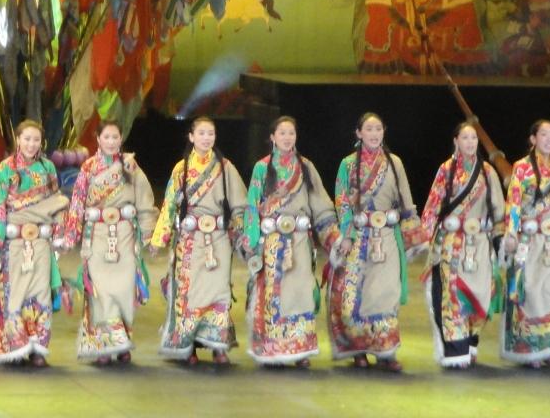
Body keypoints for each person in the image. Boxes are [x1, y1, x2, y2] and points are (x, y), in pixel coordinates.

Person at [327, 112, 423, 370]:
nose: (374, 133)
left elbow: (405, 199)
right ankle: (359, 349)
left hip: (387, 237)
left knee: (385, 293)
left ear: (384, 132)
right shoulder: (348, 164)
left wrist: (413, 234)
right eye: (369, 129)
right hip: (359, 238)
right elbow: (342, 202)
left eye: (378, 129)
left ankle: (385, 350)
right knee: (355, 296)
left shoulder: (394, 163)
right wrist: (346, 235)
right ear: (359, 133)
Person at [244, 115, 340, 367]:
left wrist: (333, 236)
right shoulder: (262, 168)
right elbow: (252, 205)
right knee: (273, 295)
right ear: (272, 137)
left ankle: (301, 349)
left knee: (301, 293)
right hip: (272, 242)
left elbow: (320, 203)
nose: (287, 138)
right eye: (282, 133)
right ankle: (273, 349)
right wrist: (251, 242)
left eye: (291, 133)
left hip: (299, 241)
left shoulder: (306, 167)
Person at [149, 116, 247, 364]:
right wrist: (159, 238)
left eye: (210, 133)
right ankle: (188, 344)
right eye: (201, 133)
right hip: (190, 241)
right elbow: (170, 205)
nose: (206, 138)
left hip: (218, 240)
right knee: (190, 293)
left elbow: (240, 205)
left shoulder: (225, 167)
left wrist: (242, 235)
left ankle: (218, 345)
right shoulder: (181, 169)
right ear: (191, 137)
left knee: (219, 291)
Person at [60, 119, 157, 364]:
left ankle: (122, 339)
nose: (111, 142)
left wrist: (149, 234)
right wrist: (70, 236)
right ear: (98, 139)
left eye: (115, 137)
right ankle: (104, 342)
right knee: (100, 289)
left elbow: (144, 200)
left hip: (124, 234)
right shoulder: (88, 168)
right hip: (98, 235)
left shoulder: (130, 166)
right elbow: (77, 203)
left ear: (121, 139)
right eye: (107, 137)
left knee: (123, 289)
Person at [417, 120, 505, 368]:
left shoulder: (487, 171)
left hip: (479, 245)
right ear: (456, 141)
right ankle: (456, 350)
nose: (470, 142)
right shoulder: (446, 170)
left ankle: (471, 340)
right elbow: (433, 207)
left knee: (481, 294)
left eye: (474, 138)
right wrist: (423, 238)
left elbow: (498, 210)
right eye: (465, 138)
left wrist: (501, 239)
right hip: (451, 244)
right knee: (452, 297)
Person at [0, 118, 69, 366]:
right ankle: (15, 346)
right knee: (14, 293)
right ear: (18, 140)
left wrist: (59, 232)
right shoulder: (5, 168)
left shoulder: (48, 167)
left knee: (40, 291)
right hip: (13, 242)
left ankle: (38, 348)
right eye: (27, 139)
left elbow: (56, 201)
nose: (32, 144)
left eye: (36, 140)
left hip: (40, 240)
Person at [499, 119, 550, 367]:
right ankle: (532, 348)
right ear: (533, 139)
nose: (549, 139)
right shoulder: (522, 168)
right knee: (532, 293)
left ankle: (549, 345)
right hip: (531, 240)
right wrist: (511, 233)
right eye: (544, 134)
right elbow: (514, 202)